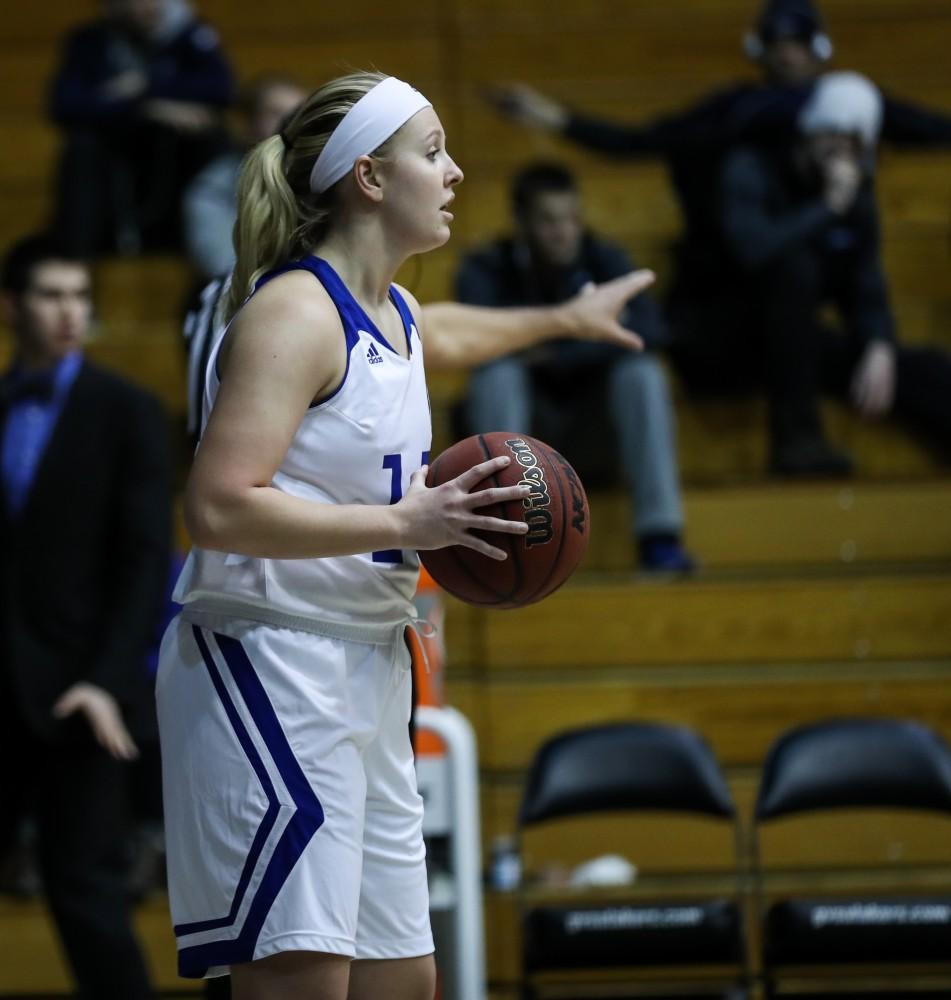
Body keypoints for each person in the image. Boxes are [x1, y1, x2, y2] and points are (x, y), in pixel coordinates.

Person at [157, 70, 654, 999]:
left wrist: (563, 318)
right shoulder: (292, 312)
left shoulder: (394, 313)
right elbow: (216, 506)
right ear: (369, 180)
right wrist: (404, 524)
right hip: (269, 660)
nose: (456, 172)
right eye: (433, 153)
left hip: (366, 664)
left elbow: (449, 332)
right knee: (303, 979)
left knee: (405, 981)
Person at [487, 0, 951, 333]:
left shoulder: (849, 104)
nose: (788, 53)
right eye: (777, 41)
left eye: (799, 42)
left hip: (833, 273)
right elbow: (639, 141)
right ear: (758, 49)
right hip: (747, 275)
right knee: (792, 273)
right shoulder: (739, 110)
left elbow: (928, 128)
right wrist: (550, 115)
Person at [0, 234, 172, 999]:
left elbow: (145, 564)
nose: (70, 311)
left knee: (89, 899)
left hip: (86, 696)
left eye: (80, 295)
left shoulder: (128, 410)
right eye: (50, 295)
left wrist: (107, 681)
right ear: (12, 308)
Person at [678, 72, 951, 473]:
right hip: (720, 339)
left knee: (926, 370)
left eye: (855, 146)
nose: (843, 154)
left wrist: (878, 342)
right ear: (811, 131)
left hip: (794, 345)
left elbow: (865, 277)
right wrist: (826, 208)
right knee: (796, 268)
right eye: (834, 139)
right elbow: (753, 251)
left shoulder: (853, 193)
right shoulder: (751, 166)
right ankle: (797, 441)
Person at [457, 162, 693, 572]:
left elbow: (651, 331)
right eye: (549, 220)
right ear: (521, 222)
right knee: (498, 376)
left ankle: (660, 540)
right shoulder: (486, 268)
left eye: (571, 219)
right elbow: (478, 343)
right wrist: (582, 333)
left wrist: (552, 353)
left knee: (643, 373)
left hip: (595, 426)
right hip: (524, 429)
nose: (564, 231)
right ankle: (509, 532)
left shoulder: (604, 259)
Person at [49, 0, 235, 256]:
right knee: (82, 147)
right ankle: (75, 259)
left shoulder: (188, 32)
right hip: (114, 149)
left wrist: (145, 86)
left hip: (176, 152)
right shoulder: (89, 40)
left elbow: (220, 88)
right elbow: (66, 105)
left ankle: (212, 252)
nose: (149, 7)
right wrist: (144, 109)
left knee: (212, 135)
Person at [184, 74, 307, 282]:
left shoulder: (321, 180)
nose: (290, 122)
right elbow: (219, 263)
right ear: (249, 123)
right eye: (276, 113)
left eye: (300, 113)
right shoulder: (214, 186)